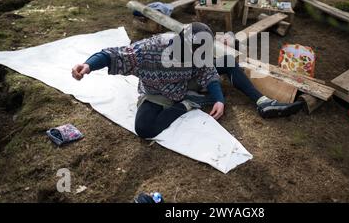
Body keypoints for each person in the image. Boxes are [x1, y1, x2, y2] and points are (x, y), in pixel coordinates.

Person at [72, 22, 303, 139]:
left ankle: (263, 102)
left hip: (186, 82)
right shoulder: (150, 50)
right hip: (159, 91)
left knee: (229, 63)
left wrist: (219, 99)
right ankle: (187, 103)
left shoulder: (199, 56)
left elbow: (207, 72)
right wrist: (89, 65)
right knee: (144, 129)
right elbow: (113, 54)